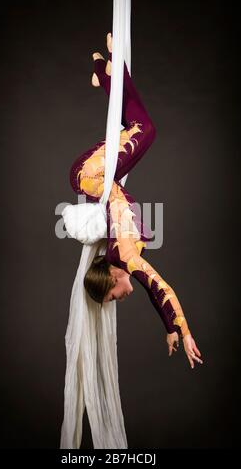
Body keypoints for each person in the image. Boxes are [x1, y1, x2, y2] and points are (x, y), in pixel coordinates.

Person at [69, 33, 203, 369]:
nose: (120, 300)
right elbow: (151, 290)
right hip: (95, 179)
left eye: (113, 297)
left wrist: (184, 331)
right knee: (136, 125)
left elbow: (160, 288)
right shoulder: (123, 258)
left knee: (146, 129)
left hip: (91, 176)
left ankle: (113, 66)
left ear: (113, 279)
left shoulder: (124, 256)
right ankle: (104, 70)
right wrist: (170, 328)